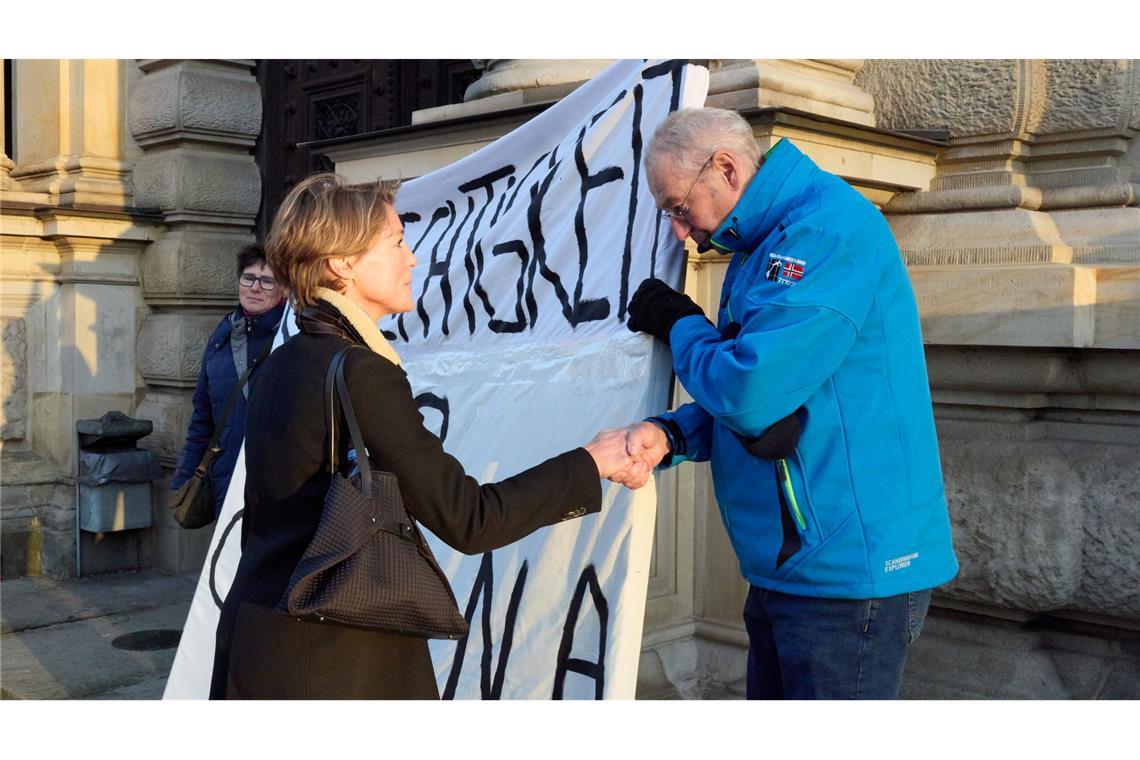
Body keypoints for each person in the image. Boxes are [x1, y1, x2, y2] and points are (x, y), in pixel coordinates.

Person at [209, 172, 642, 700]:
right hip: (334, 660)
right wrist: (592, 462)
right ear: (342, 263)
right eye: (396, 242)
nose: (412, 259)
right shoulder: (361, 372)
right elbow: (470, 519)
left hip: (257, 640)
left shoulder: (278, 362)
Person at [622, 107, 958, 699]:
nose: (679, 231)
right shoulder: (765, 240)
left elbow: (749, 394)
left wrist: (680, 324)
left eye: (678, 208)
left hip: (847, 572)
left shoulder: (824, 233)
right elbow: (782, 395)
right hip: (800, 563)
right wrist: (672, 435)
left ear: (725, 168)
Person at [171, 244, 288, 521]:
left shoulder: (291, 338)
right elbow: (203, 419)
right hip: (227, 479)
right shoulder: (221, 339)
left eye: (267, 281)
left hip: (277, 485)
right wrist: (184, 479)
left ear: (285, 289)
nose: (255, 288)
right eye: (248, 278)